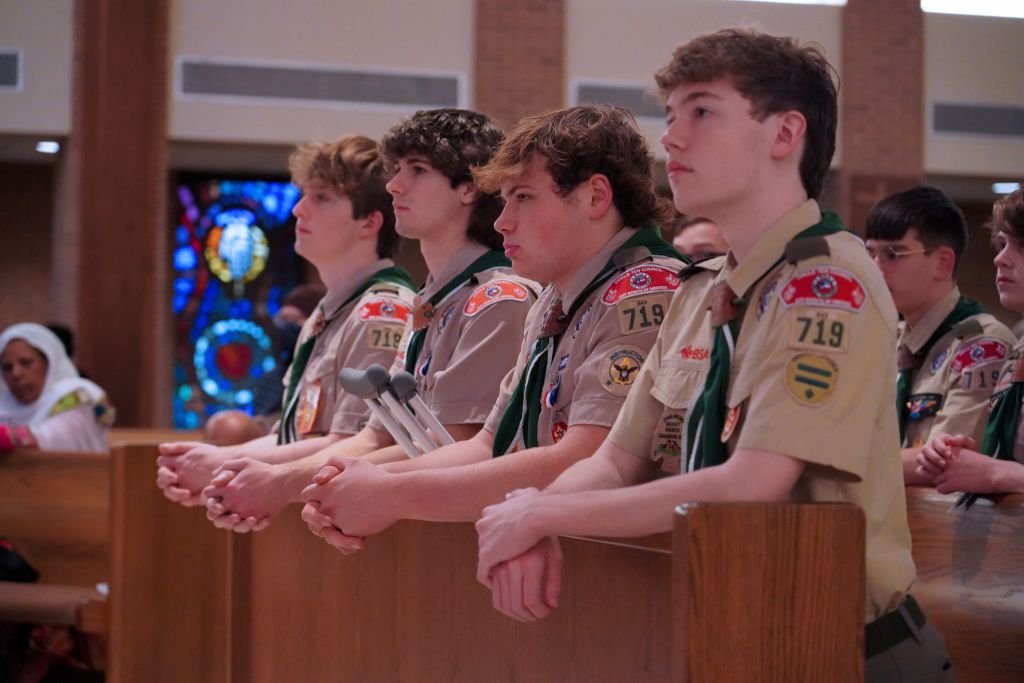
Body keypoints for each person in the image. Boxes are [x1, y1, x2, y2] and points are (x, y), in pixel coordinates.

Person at [473, 29, 954, 682]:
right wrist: (535, 522)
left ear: (785, 134)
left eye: (700, 111)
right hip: (731, 635)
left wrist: (541, 510)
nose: (670, 137)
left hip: (844, 652)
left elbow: (752, 485)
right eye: (670, 116)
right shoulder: (703, 292)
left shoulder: (827, 281)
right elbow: (616, 460)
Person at [299, 105, 697, 552]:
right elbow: (492, 444)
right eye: (504, 200)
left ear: (594, 196)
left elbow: (584, 458)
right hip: (567, 554)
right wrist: (365, 480)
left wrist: (389, 492)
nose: (502, 220)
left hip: (636, 570)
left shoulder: (643, 291)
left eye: (523, 197)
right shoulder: (555, 298)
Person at [199, 109, 537, 533]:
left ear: (467, 188)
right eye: (397, 169)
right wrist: (292, 481)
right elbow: (376, 439)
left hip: (459, 532)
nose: (395, 184)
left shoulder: (496, 298)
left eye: (417, 170)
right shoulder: (432, 300)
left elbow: (453, 446)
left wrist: (289, 483)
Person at [155, 134, 418, 511]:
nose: (299, 210)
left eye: (322, 198)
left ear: (369, 223)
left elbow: (357, 445)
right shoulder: (328, 314)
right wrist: (217, 463)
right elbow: (292, 433)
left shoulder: (382, 313)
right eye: (305, 195)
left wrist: (222, 465)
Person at [864, 185, 1013, 486]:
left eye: (893, 255)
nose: (875, 270)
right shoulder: (882, 339)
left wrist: (840, 463)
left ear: (942, 262)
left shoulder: (982, 344)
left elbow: (945, 463)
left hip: (943, 526)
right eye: (870, 255)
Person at [919, 186, 1024, 500]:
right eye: (1002, 244)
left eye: (1022, 246)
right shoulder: (1018, 355)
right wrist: (957, 457)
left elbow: (1002, 472)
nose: (1000, 259)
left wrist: (994, 473)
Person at [203, 282, 327, 444]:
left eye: (293, 319)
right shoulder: (272, 379)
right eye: (282, 319)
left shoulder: (325, 372)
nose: (285, 327)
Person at [0, 323, 114, 452]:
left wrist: (7, 437)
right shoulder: (4, 405)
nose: (16, 373)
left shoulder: (76, 396)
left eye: (26, 363)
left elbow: (49, 439)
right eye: (6, 367)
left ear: (50, 362)